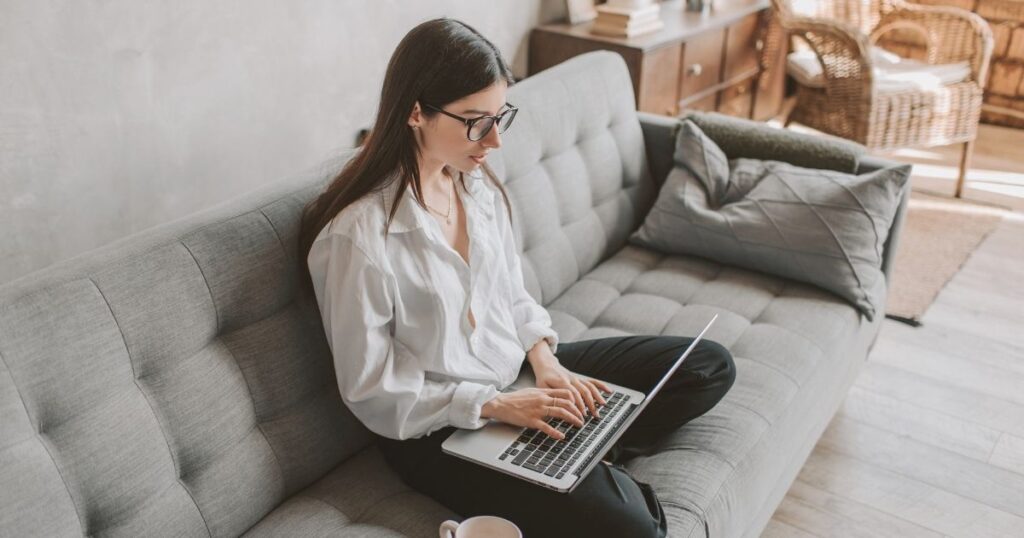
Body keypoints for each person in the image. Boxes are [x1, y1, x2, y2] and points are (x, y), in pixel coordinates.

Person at [299, 17, 735, 538]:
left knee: (707, 366)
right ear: (415, 112)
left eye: (499, 117)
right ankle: (581, 463)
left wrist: (548, 365)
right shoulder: (357, 238)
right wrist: (496, 406)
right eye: (475, 122)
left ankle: (580, 451)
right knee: (635, 530)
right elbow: (372, 389)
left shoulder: (473, 185)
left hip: (517, 377)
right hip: (439, 428)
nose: (494, 141)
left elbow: (512, 295)